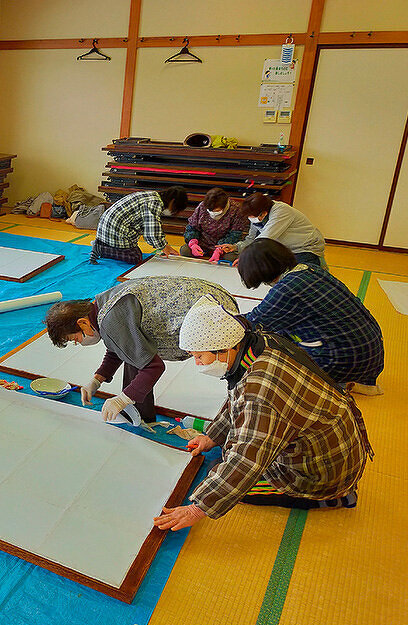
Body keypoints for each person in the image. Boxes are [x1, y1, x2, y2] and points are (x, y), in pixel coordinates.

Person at [153, 295, 374, 531]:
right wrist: (212, 437)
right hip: (332, 444)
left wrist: (197, 508)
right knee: (222, 459)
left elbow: (247, 458)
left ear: (225, 349)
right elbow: (237, 403)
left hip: (322, 473)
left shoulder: (260, 391)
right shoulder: (260, 345)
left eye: (199, 356)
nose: (197, 363)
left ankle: (330, 497)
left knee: (221, 474)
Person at [44, 276, 238, 424]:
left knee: (228, 363)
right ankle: (138, 413)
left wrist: (122, 399)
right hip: (212, 296)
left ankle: (238, 410)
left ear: (82, 323)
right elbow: (121, 346)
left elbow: (153, 367)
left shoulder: (110, 320)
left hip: (213, 314)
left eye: (75, 339)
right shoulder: (102, 303)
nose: (78, 343)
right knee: (136, 356)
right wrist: (97, 379)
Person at [238, 238, 384, 394]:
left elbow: (253, 322)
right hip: (370, 352)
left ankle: (337, 383)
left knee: (268, 364)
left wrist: (224, 317)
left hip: (346, 358)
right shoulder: (309, 269)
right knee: (281, 332)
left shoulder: (288, 288)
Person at [218, 192, 326, 268]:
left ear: (264, 213)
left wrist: (247, 257)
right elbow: (251, 239)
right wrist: (236, 247)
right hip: (284, 250)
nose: (251, 219)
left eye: (252, 216)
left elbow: (265, 239)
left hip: (305, 248)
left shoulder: (281, 211)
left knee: (299, 276)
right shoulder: (256, 215)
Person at [89, 186, 188, 264]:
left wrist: (165, 246)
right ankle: (102, 249)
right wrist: (163, 247)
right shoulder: (154, 204)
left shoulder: (153, 195)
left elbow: (155, 227)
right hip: (114, 230)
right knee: (135, 258)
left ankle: (102, 244)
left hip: (107, 227)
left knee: (135, 251)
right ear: (173, 202)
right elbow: (151, 233)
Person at [180, 187, 249, 263]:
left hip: (223, 246)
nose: (212, 213)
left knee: (230, 257)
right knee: (185, 250)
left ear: (224, 207)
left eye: (216, 210)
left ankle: (218, 253)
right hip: (203, 243)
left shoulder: (236, 210)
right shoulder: (202, 206)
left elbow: (235, 234)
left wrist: (220, 248)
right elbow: (192, 227)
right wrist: (193, 242)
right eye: (210, 210)